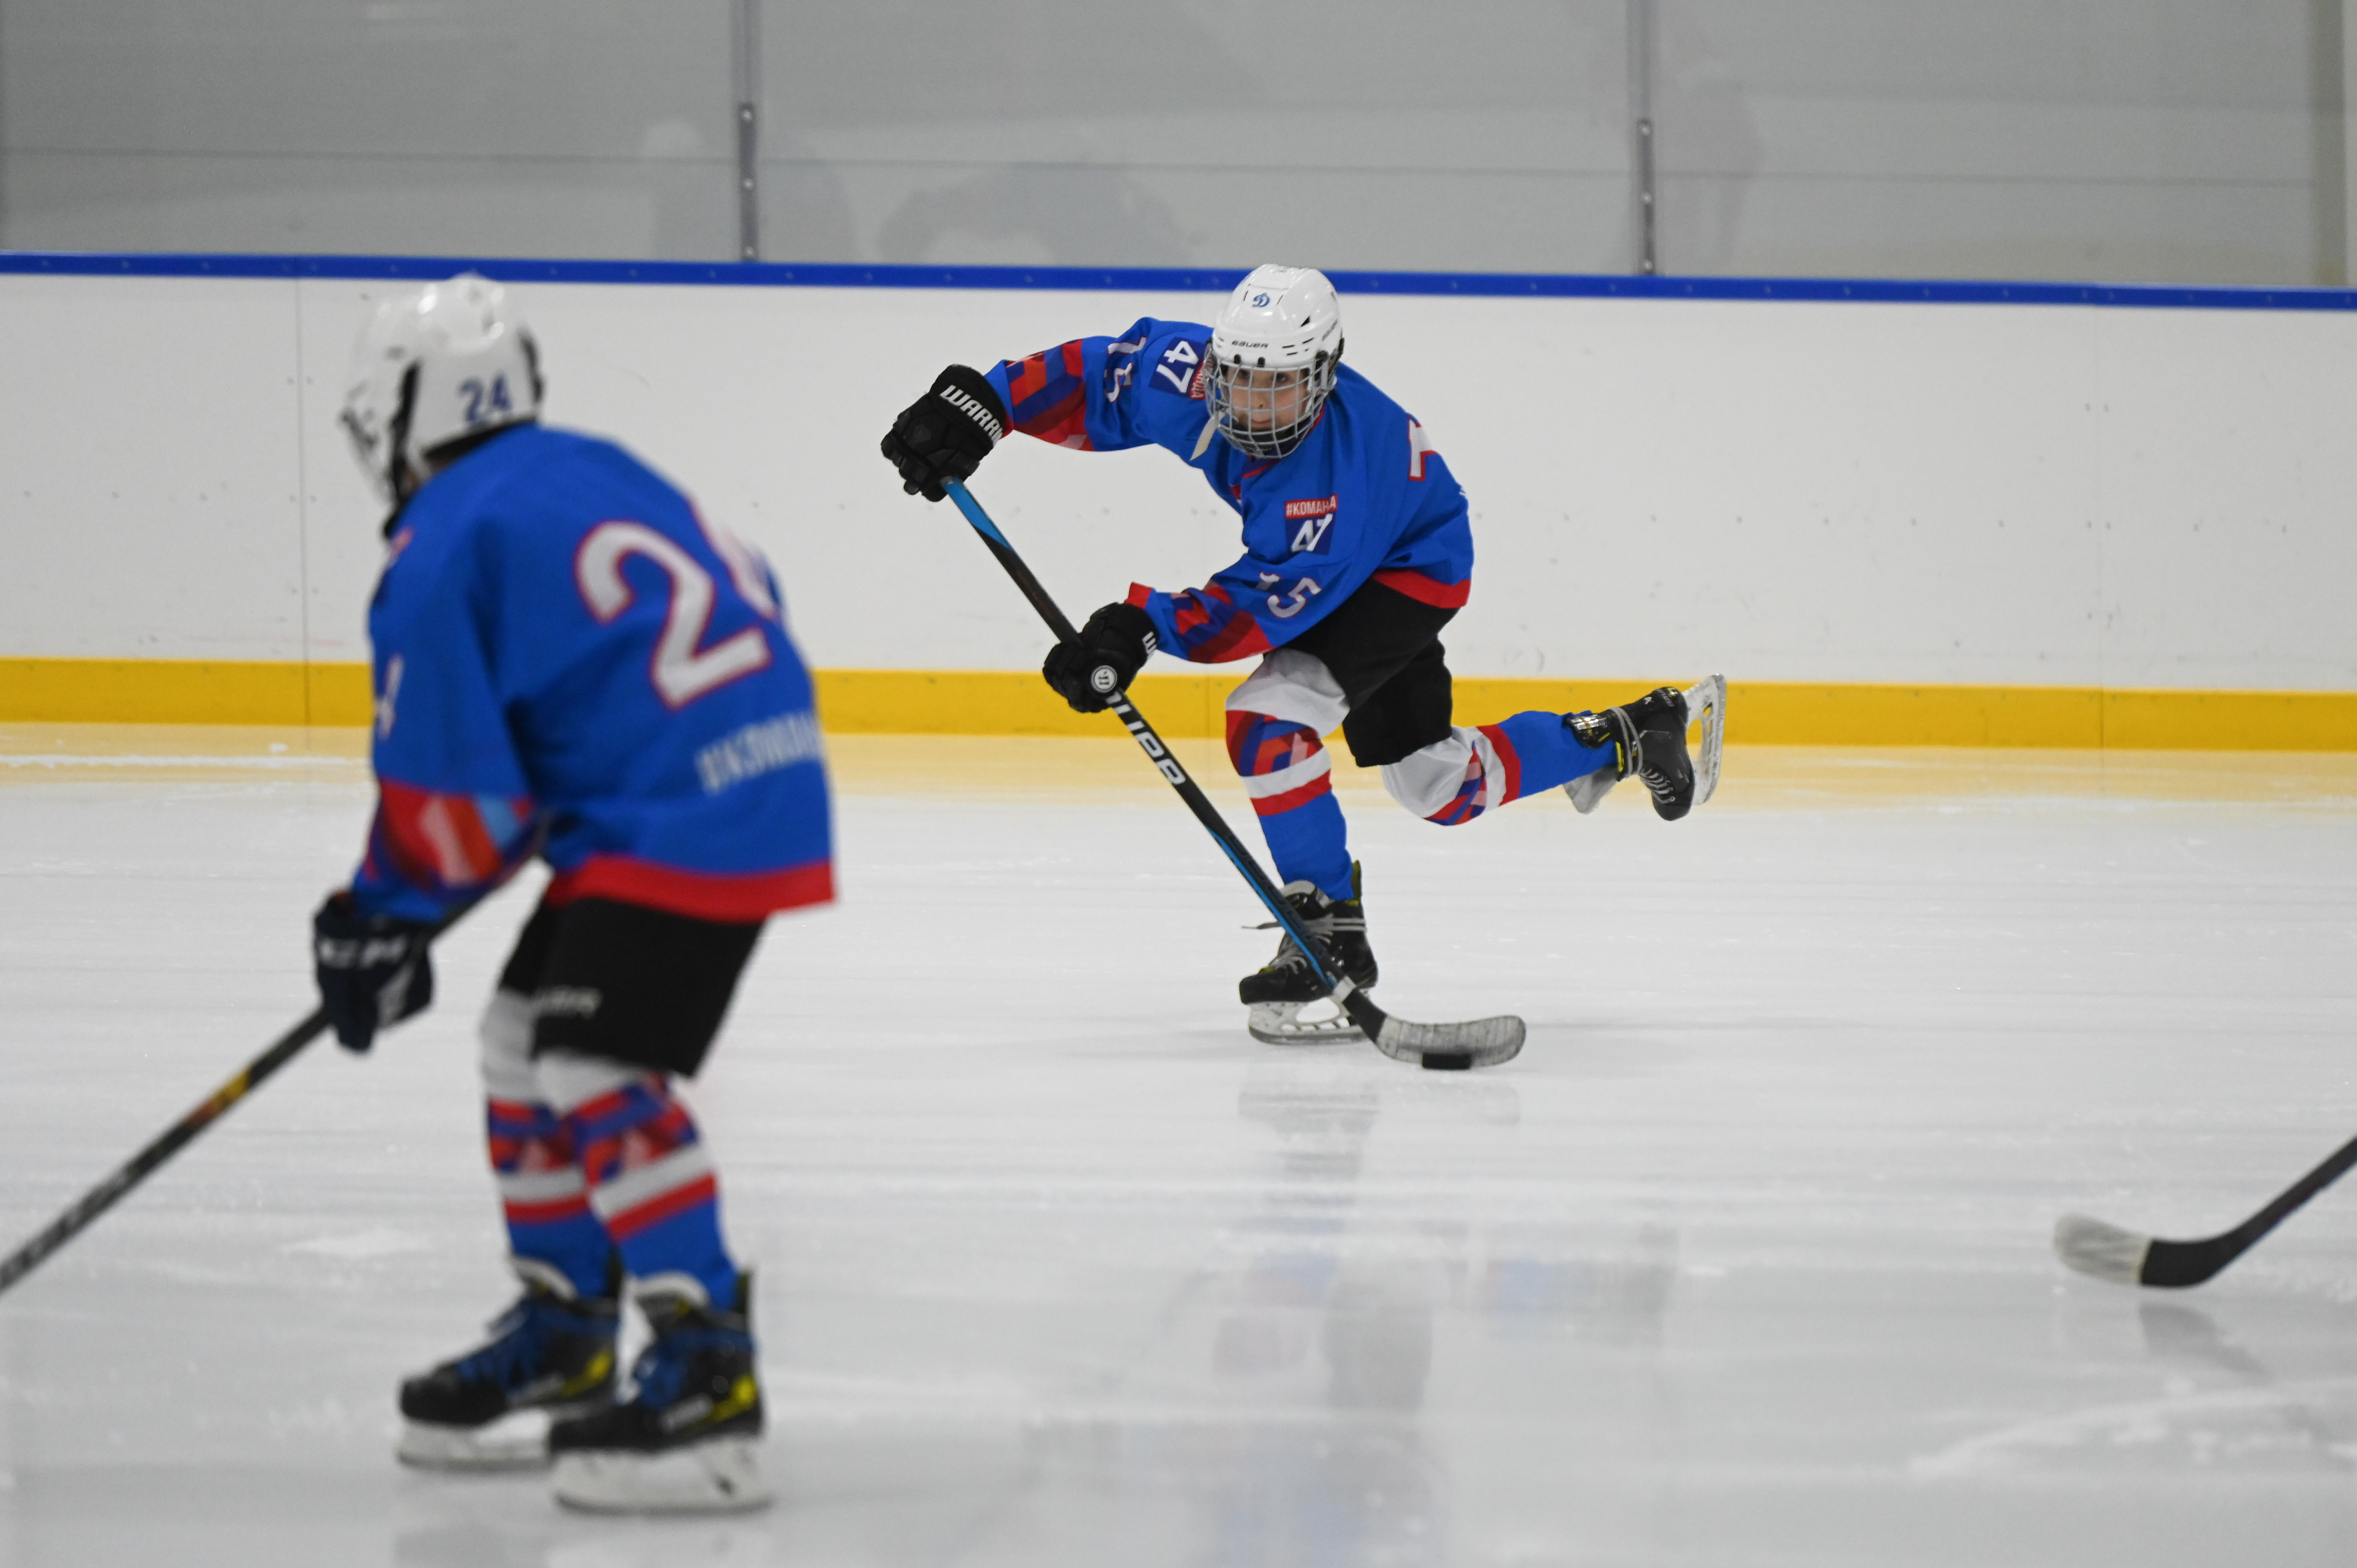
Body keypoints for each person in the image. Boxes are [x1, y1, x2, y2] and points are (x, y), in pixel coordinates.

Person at [881, 265, 1720, 1041]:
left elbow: (1253, 611)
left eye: (1278, 384)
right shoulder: (1192, 375)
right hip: (1375, 541)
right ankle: (1631, 731)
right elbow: (1104, 375)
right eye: (1240, 378)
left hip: (1405, 573)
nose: (1252, 404)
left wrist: (1140, 625)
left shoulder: (1328, 494)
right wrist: (987, 402)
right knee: (1438, 786)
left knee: (1264, 723)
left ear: (1322, 375)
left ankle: (1326, 935)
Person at [313, 274, 830, 1513]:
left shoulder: (440, 540)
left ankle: (709, 1375)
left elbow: (451, 803)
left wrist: (379, 915)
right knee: (518, 1041)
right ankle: (567, 1329)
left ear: (405, 413)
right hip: (730, 777)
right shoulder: (589, 465)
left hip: (679, 813)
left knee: (592, 1063)